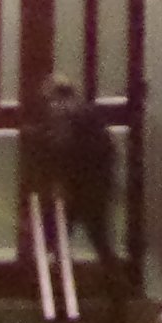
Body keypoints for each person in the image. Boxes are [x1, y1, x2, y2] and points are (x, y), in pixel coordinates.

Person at [25, 77, 123, 282]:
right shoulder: (89, 112)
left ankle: (57, 291)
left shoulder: (60, 111)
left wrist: (58, 180)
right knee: (100, 241)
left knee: (56, 237)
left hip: (74, 187)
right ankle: (117, 294)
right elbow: (109, 150)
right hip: (96, 187)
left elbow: (62, 146)